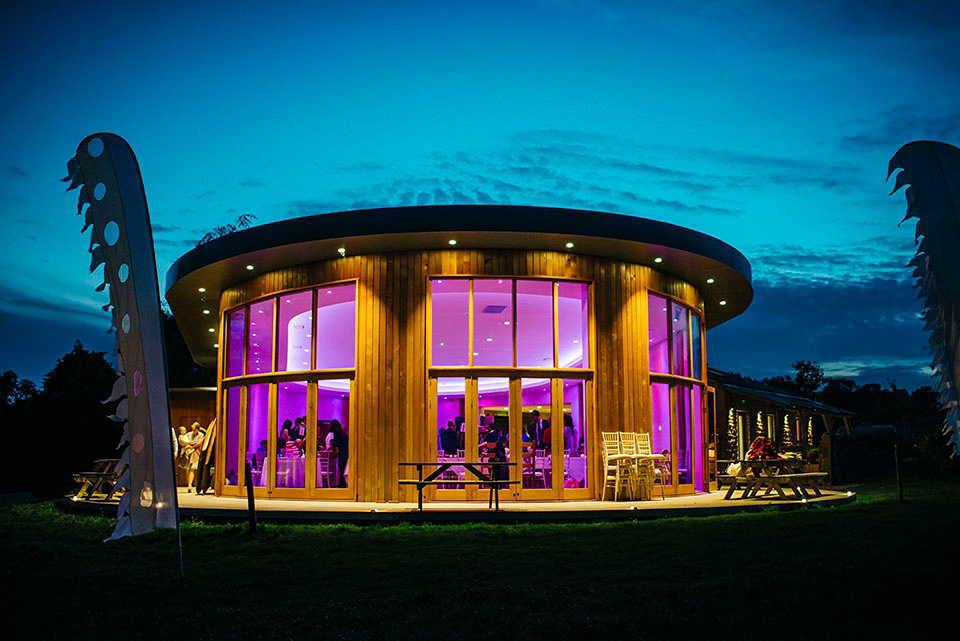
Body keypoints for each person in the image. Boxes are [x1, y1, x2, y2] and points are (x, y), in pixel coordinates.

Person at [181, 422, 204, 492]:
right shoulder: (189, 434)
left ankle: (190, 485)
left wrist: (191, 446)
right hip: (188, 453)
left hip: (195, 453)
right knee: (187, 469)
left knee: (192, 469)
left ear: (198, 429)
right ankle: (189, 484)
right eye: (193, 429)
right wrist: (186, 446)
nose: (193, 431)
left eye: (195, 430)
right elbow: (184, 441)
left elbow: (199, 444)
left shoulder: (201, 435)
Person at [328, 420, 348, 487]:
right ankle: (343, 484)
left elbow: (337, 442)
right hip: (345, 451)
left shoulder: (336, 432)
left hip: (341, 452)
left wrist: (333, 444)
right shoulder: (341, 432)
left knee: (341, 468)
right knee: (343, 468)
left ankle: (342, 484)